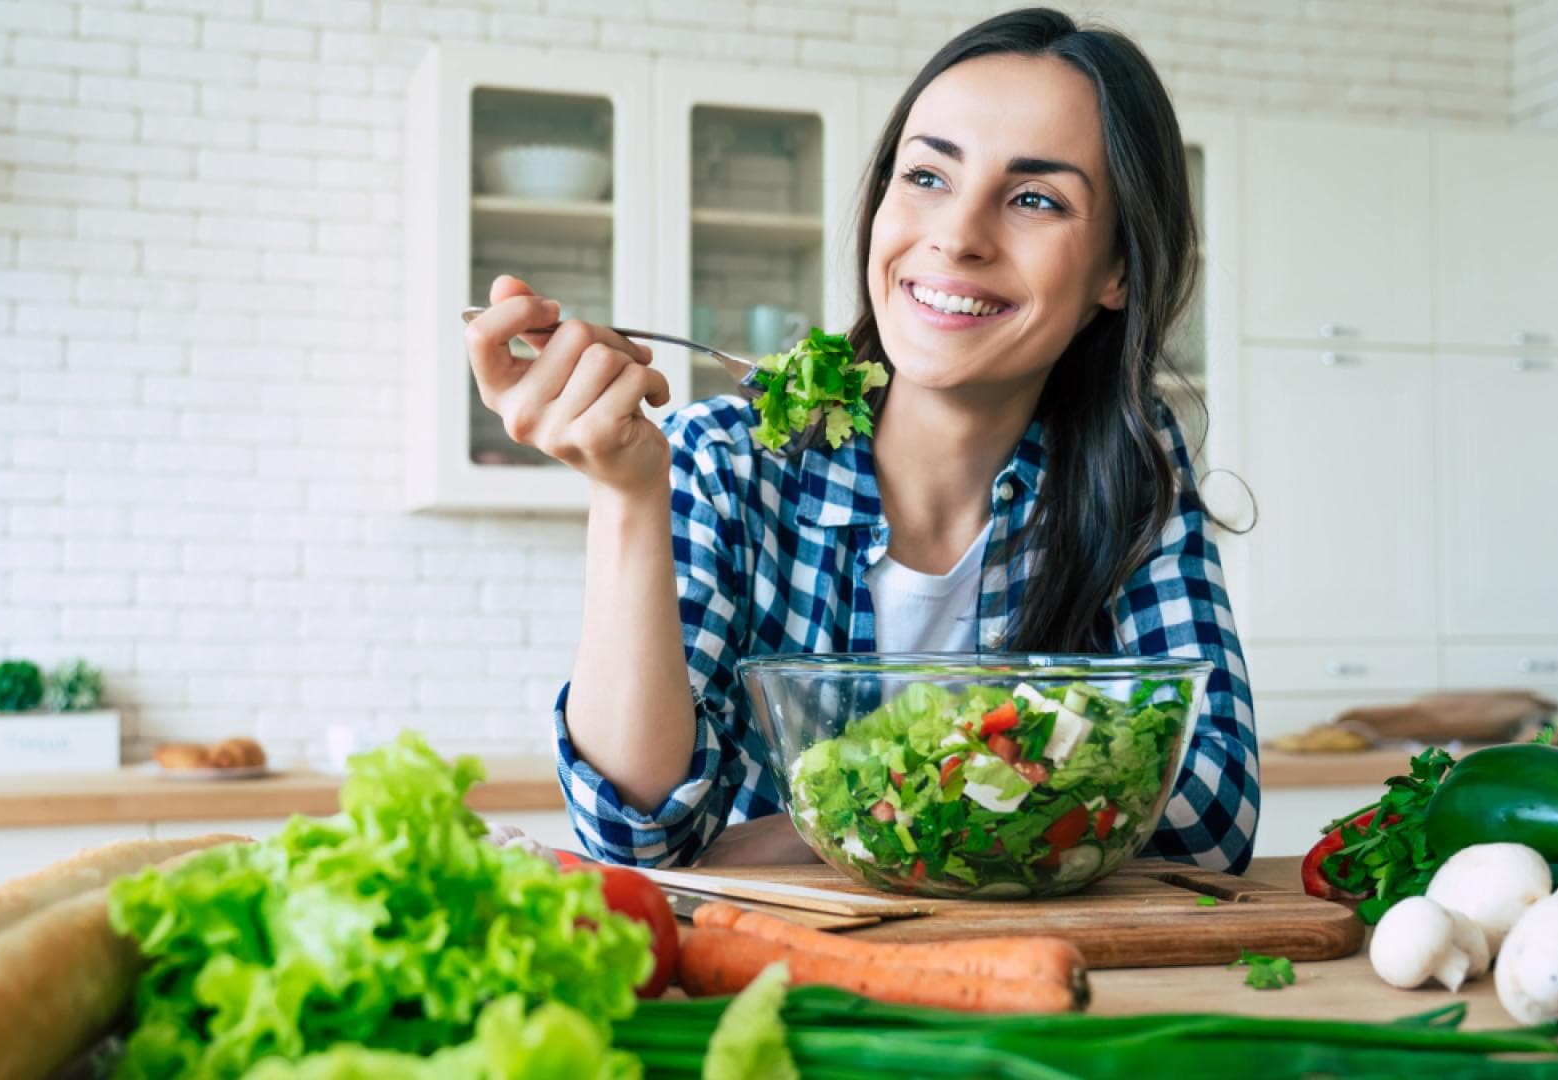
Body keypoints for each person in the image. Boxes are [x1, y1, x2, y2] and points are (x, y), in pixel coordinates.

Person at [462, 7, 1258, 873]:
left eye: (1035, 198)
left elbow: (1211, 814)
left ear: (1117, 270)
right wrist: (624, 493)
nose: (957, 236)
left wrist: (827, 821)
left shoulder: (1133, 468)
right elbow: (640, 834)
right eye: (926, 177)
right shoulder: (724, 461)